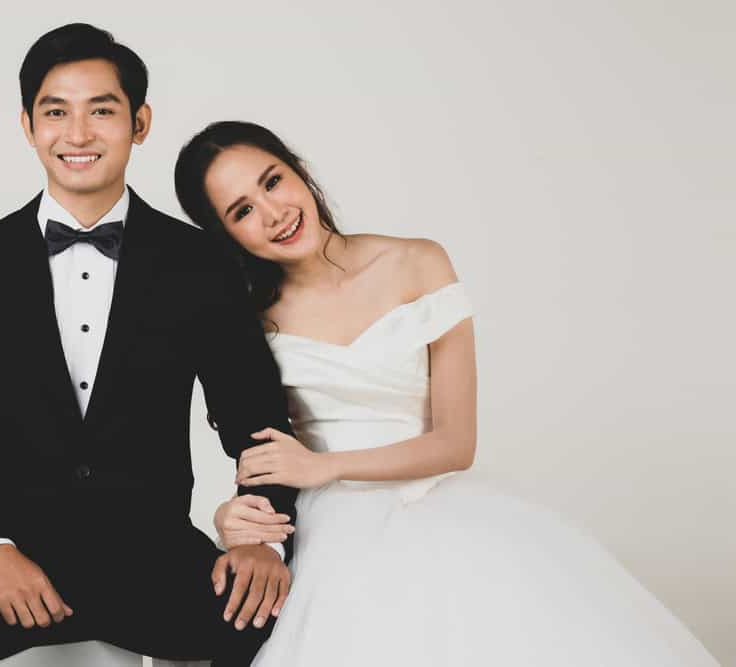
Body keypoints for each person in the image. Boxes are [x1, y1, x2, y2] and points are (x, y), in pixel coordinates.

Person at [173, 120, 720, 666]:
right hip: (327, 535)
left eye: (273, 181)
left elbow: (457, 443)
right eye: (241, 211)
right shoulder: (246, 315)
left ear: (298, 170)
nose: (273, 214)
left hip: (440, 508)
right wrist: (241, 523)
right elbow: (259, 444)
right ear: (226, 235)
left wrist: (325, 465)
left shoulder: (418, 261)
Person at [0, 26, 299, 667]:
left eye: (101, 110)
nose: (77, 135)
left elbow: (254, 416)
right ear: (28, 125)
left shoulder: (200, 263)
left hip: (150, 556)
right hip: (11, 554)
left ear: (140, 122)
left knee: (258, 628)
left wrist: (260, 537)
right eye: (56, 112)